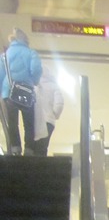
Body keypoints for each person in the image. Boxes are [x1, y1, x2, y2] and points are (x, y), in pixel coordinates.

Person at [0, 27, 42, 155]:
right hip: (26, 91)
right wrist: (34, 81)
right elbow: (36, 69)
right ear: (25, 40)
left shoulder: (4, 56)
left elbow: (0, 74)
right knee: (28, 122)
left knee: (12, 122)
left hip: (9, 91)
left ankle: (15, 148)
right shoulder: (31, 53)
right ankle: (29, 149)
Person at [33, 65, 64, 156]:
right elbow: (59, 103)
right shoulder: (54, 86)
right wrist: (54, 115)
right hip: (48, 120)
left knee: (34, 145)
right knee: (44, 145)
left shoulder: (34, 86)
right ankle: (42, 160)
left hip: (35, 120)